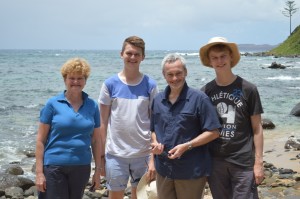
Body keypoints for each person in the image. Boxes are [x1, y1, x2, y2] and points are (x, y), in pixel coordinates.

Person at [199, 37, 264, 199]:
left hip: (243, 162)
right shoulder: (205, 91)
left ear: (231, 57)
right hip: (215, 163)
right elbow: (202, 130)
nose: (219, 61)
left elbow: (257, 128)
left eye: (223, 56)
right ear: (210, 61)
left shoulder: (248, 89)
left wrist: (259, 163)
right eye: (214, 57)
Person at [150, 53, 221, 199]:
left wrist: (187, 145)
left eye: (178, 73)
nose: (174, 78)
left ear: (186, 72)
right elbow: (153, 129)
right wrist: (155, 143)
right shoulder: (157, 100)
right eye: (170, 74)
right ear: (164, 75)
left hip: (190, 171)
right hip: (163, 169)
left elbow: (214, 131)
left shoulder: (200, 99)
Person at [98, 36, 158, 199]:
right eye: (129, 53)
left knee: (140, 196)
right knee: (115, 196)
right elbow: (102, 123)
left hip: (143, 153)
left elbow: (155, 124)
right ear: (121, 54)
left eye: (137, 54)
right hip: (116, 155)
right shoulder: (110, 84)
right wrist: (100, 157)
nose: (132, 57)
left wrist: (153, 158)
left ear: (143, 57)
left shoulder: (150, 85)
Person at [35, 58, 102, 199]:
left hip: (82, 167)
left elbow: (96, 140)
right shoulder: (52, 104)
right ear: (65, 79)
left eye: (80, 78)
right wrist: (39, 173)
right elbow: (40, 140)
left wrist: (97, 171)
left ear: (85, 80)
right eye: (72, 78)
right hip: (54, 167)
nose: (76, 82)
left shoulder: (92, 106)